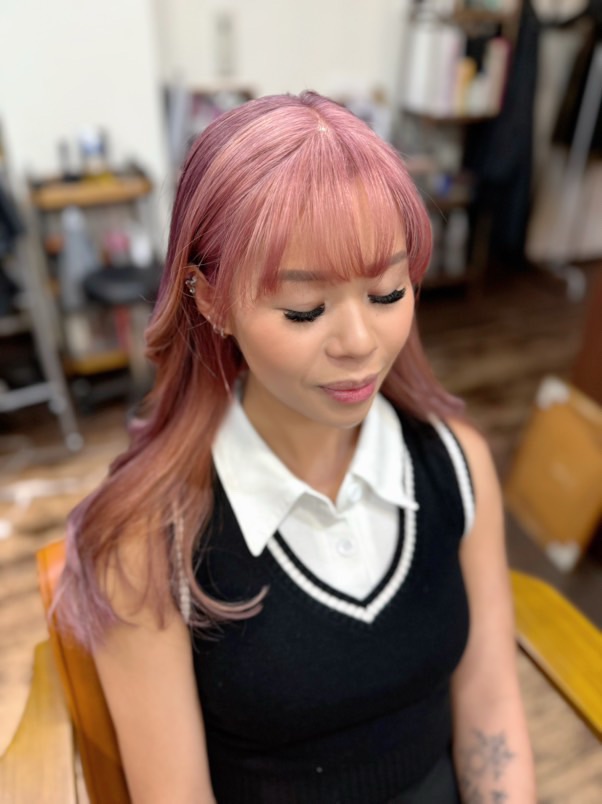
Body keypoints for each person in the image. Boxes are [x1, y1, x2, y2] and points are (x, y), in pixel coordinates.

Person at [55, 91, 536, 803]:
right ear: (210, 300)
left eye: (387, 292)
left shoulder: (455, 466)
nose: (359, 345)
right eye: (305, 309)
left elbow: (492, 712)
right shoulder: (152, 542)